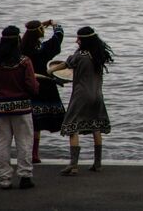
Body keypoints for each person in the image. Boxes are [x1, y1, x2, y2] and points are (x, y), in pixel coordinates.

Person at [47, 26, 113, 176]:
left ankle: (74, 165)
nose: (77, 41)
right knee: (95, 126)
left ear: (85, 40)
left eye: (79, 39)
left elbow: (66, 64)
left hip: (81, 95)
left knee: (72, 127)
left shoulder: (80, 54)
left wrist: (51, 70)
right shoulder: (99, 54)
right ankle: (97, 164)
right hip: (97, 95)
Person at [0, 25, 39, 189]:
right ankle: (25, 176)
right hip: (22, 108)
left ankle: (4, 179)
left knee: (3, 143)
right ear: (17, 40)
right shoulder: (24, 61)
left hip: (2, 108)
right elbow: (31, 86)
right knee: (24, 142)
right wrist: (37, 87)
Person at [21, 19, 64, 163]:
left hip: (28, 85)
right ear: (41, 32)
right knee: (39, 122)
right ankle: (35, 154)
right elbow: (59, 36)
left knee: (32, 122)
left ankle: (29, 152)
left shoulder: (21, 48)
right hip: (46, 84)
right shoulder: (44, 49)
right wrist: (54, 23)